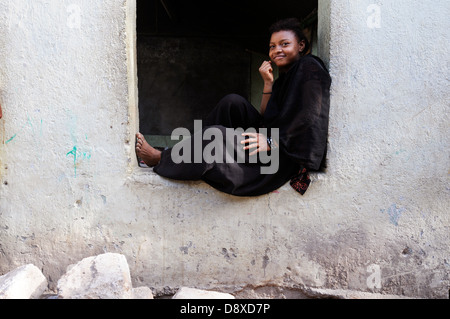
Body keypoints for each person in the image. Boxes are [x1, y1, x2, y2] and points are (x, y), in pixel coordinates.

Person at [136, 18, 331, 197]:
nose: (276, 50)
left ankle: (161, 158)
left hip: (284, 156)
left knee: (216, 135)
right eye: (272, 46)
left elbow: (310, 116)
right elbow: (266, 118)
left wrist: (272, 142)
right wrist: (268, 84)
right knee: (232, 103)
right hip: (272, 140)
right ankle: (188, 155)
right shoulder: (285, 78)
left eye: (284, 44)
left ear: (301, 45)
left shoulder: (309, 67)